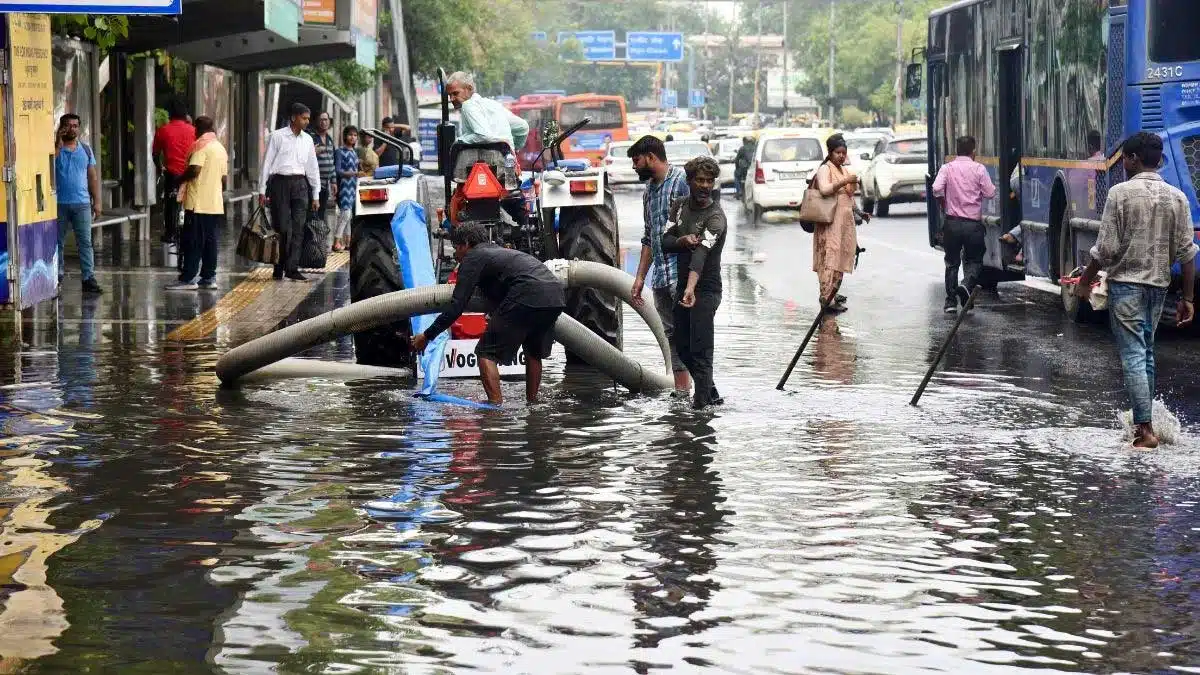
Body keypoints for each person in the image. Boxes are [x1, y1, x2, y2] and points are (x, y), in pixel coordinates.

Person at [1076, 131, 1197, 449]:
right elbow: (1188, 254)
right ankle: (1146, 422)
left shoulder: (1120, 194)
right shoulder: (1178, 197)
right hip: (1159, 288)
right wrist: (1187, 298)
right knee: (1146, 355)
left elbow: (1104, 249)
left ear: (1132, 160)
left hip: (1127, 287)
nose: (1123, 165)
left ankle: (1144, 430)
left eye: (1125, 159)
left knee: (1132, 355)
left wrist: (1085, 283)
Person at [409, 223, 565, 405]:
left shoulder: (473, 257)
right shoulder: (499, 253)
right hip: (555, 295)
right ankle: (533, 404)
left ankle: (495, 407)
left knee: (485, 353)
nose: (455, 255)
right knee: (533, 353)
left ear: (466, 244)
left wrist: (426, 336)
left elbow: (457, 306)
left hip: (527, 293)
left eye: (456, 248)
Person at [627, 135, 692, 394]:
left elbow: (695, 229)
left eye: (637, 160)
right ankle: (682, 393)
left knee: (689, 333)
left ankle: (703, 391)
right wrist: (640, 277)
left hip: (682, 274)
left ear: (651, 157)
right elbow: (648, 236)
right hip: (661, 278)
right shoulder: (649, 191)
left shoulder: (681, 183)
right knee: (672, 336)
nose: (634, 167)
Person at [662, 156, 727, 410]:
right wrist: (682, 240)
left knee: (701, 349)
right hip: (683, 287)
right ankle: (710, 393)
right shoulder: (679, 207)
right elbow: (665, 241)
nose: (704, 186)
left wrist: (691, 288)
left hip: (706, 289)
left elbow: (701, 255)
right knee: (681, 344)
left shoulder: (716, 218)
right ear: (689, 181)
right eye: (700, 180)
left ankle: (700, 411)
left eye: (709, 181)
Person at [932, 135, 997, 313]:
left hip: (952, 223)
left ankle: (950, 302)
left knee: (952, 262)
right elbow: (990, 193)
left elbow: (936, 188)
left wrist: (944, 199)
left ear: (957, 150)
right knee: (974, 259)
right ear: (973, 152)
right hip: (972, 225)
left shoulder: (947, 168)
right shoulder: (979, 169)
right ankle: (966, 285)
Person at [259, 102, 321, 282]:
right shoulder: (277, 136)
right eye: (304, 118)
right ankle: (279, 266)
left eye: (308, 118)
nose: (307, 122)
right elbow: (267, 163)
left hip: (301, 184)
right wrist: (262, 190)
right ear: (294, 117)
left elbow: (312, 168)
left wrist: (315, 194)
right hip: (280, 184)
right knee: (282, 228)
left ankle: (292, 268)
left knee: (299, 228)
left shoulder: (308, 140)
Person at [168, 116, 228, 291]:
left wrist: (179, 179)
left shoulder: (201, 147)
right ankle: (209, 277)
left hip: (198, 203)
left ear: (198, 129)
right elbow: (224, 180)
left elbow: (194, 170)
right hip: (215, 204)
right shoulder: (220, 148)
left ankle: (187, 278)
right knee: (210, 242)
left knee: (193, 241)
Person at [812, 133, 867, 312]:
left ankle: (832, 294)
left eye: (844, 153)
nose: (841, 156)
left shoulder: (842, 169)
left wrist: (860, 212)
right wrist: (845, 181)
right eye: (838, 153)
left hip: (844, 222)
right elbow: (825, 189)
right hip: (830, 222)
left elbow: (848, 197)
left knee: (842, 257)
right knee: (830, 259)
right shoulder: (825, 169)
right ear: (830, 153)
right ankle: (826, 297)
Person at [54, 113, 103, 295]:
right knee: (57, 242)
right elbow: (50, 162)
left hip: (82, 204)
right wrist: (58, 139)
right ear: (62, 127)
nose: (72, 129)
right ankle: (57, 275)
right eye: (68, 126)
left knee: (85, 243)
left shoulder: (86, 150)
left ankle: (88, 278)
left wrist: (97, 202)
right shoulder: (55, 149)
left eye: (75, 126)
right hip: (59, 204)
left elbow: (92, 177)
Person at [444, 71, 529, 151]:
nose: (451, 99)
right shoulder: (493, 105)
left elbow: (484, 136)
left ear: (469, 88)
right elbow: (523, 126)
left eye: (455, 93)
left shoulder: (467, 105)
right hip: (507, 163)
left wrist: (458, 141)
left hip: (486, 162)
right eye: (449, 95)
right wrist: (512, 149)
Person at [151, 100, 195, 245]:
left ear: (170, 114)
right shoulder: (193, 130)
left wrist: (160, 167)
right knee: (192, 202)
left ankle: (170, 233)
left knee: (171, 204)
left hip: (173, 174)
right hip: (191, 173)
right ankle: (190, 230)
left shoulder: (163, 130)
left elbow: (155, 154)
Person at [333, 125, 360, 253]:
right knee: (345, 214)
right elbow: (338, 171)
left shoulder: (354, 152)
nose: (352, 137)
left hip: (353, 186)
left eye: (355, 135)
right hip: (344, 186)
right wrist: (353, 174)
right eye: (350, 135)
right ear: (345, 136)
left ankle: (348, 242)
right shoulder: (340, 151)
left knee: (349, 216)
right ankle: (336, 241)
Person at [310, 111, 337, 222]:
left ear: (329, 121)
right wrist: (313, 152)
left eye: (325, 119)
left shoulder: (330, 140)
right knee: (312, 213)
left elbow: (332, 162)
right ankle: (310, 238)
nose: (323, 122)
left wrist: (334, 181)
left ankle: (318, 238)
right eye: (321, 119)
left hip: (326, 184)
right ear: (317, 121)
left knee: (321, 213)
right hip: (314, 183)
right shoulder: (311, 137)